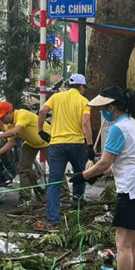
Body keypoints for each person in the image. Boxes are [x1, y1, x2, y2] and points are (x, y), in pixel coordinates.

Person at [72, 86, 135, 270]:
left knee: (123, 244)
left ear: (111, 107)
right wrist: (95, 175)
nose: (102, 112)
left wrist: (83, 175)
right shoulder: (134, 125)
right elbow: (113, 165)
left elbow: (104, 163)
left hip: (131, 190)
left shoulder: (117, 129)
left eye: (103, 108)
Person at [39, 73, 93, 224]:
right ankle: (76, 211)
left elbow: (42, 111)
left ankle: (53, 218)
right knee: (79, 177)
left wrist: (40, 131)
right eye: (84, 88)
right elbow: (85, 123)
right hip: (77, 144)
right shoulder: (83, 101)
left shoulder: (56, 97)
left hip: (56, 144)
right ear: (81, 87)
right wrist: (90, 145)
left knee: (54, 181)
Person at [0, 100, 50, 203]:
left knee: (56, 167)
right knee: (23, 168)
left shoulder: (22, 114)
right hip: (31, 143)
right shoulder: (8, 125)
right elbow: (10, 143)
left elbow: (16, 131)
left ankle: (64, 195)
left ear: (10, 112)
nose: (2, 121)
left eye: (2, 117)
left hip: (47, 141)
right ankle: (25, 197)